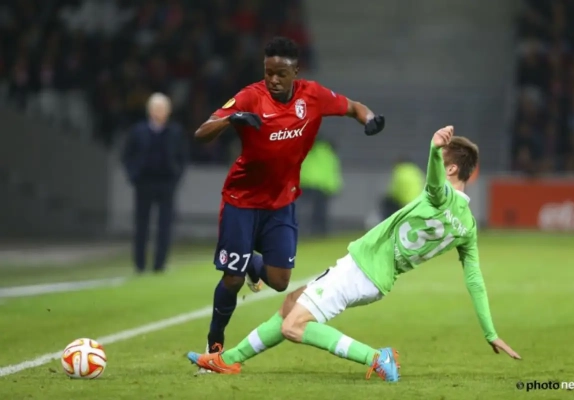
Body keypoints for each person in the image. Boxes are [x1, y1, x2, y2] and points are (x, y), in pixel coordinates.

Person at [187, 126, 521, 382]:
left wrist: (434, 149)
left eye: (440, 161)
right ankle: (229, 360)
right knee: (291, 303)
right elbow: (474, 280)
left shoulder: (440, 196)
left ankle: (377, 357)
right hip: (376, 278)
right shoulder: (468, 226)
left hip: (361, 269)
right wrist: (490, 332)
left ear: (451, 170)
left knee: (294, 327)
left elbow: (434, 183)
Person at [193, 36, 386, 362]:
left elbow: (354, 107)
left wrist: (369, 120)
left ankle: (251, 262)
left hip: (281, 202)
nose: (273, 79)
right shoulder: (250, 97)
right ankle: (215, 344)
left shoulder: (313, 96)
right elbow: (202, 132)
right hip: (242, 200)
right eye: (268, 72)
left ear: (296, 72)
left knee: (281, 282)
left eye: (280, 74)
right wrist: (231, 119)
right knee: (232, 278)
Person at [121, 93, 189, 273]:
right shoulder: (138, 131)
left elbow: (183, 157)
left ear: (169, 111)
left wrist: (176, 177)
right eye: (156, 108)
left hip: (166, 182)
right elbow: (127, 155)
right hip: (144, 182)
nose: (159, 112)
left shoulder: (175, 131)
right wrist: (133, 176)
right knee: (141, 224)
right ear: (149, 110)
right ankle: (139, 264)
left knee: (165, 225)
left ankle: (160, 264)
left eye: (163, 108)